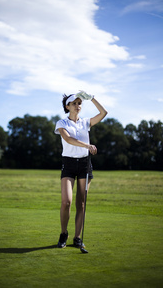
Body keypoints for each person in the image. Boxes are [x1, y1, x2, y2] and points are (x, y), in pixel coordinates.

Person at [54, 90, 107, 248]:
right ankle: (64, 233)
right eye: (74, 103)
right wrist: (87, 145)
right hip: (69, 164)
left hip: (85, 164)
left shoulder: (86, 122)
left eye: (79, 103)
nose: (77, 106)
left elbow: (104, 112)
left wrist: (91, 98)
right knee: (66, 202)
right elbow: (69, 139)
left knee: (81, 203)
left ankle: (77, 238)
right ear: (67, 106)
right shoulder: (61, 123)